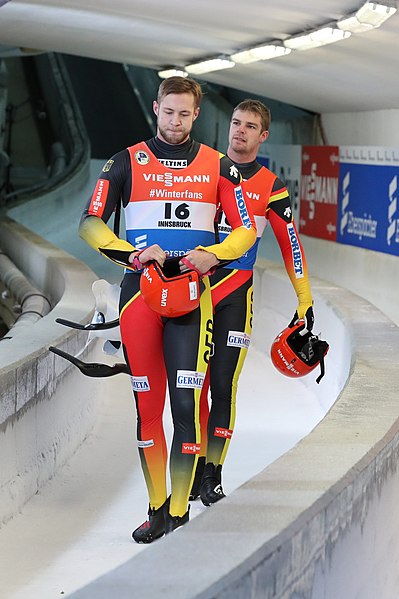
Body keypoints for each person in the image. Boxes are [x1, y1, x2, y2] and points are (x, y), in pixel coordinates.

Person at [78, 77, 256, 543]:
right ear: (155, 108)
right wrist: (130, 255)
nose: (174, 122)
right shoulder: (125, 161)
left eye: (184, 114)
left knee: (185, 409)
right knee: (146, 410)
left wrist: (214, 254)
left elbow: (244, 232)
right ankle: (156, 507)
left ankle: (180, 511)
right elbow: (91, 222)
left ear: (196, 115)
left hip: (192, 299)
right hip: (139, 297)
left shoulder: (220, 167)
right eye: (168, 112)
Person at [190, 99, 314, 505]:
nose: (240, 130)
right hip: (196, 294)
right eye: (236, 123)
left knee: (223, 386)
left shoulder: (271, 186)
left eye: (250, 126)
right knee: (193, 385)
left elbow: (289, 243)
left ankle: (212, 474)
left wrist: (304, 297)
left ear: (263, 136)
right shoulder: (202, 168)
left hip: (236, 297)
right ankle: (190, 468)